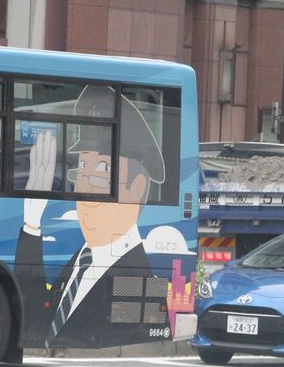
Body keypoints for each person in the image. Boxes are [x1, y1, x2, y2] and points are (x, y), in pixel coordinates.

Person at [14, 85, 169, 348]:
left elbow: (128, 338)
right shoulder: (82, 259)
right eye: (81, 171)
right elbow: (37, 323)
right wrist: (31, 223)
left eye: (102, 172)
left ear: (137, 187)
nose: (85, 191)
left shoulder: (138, 277)